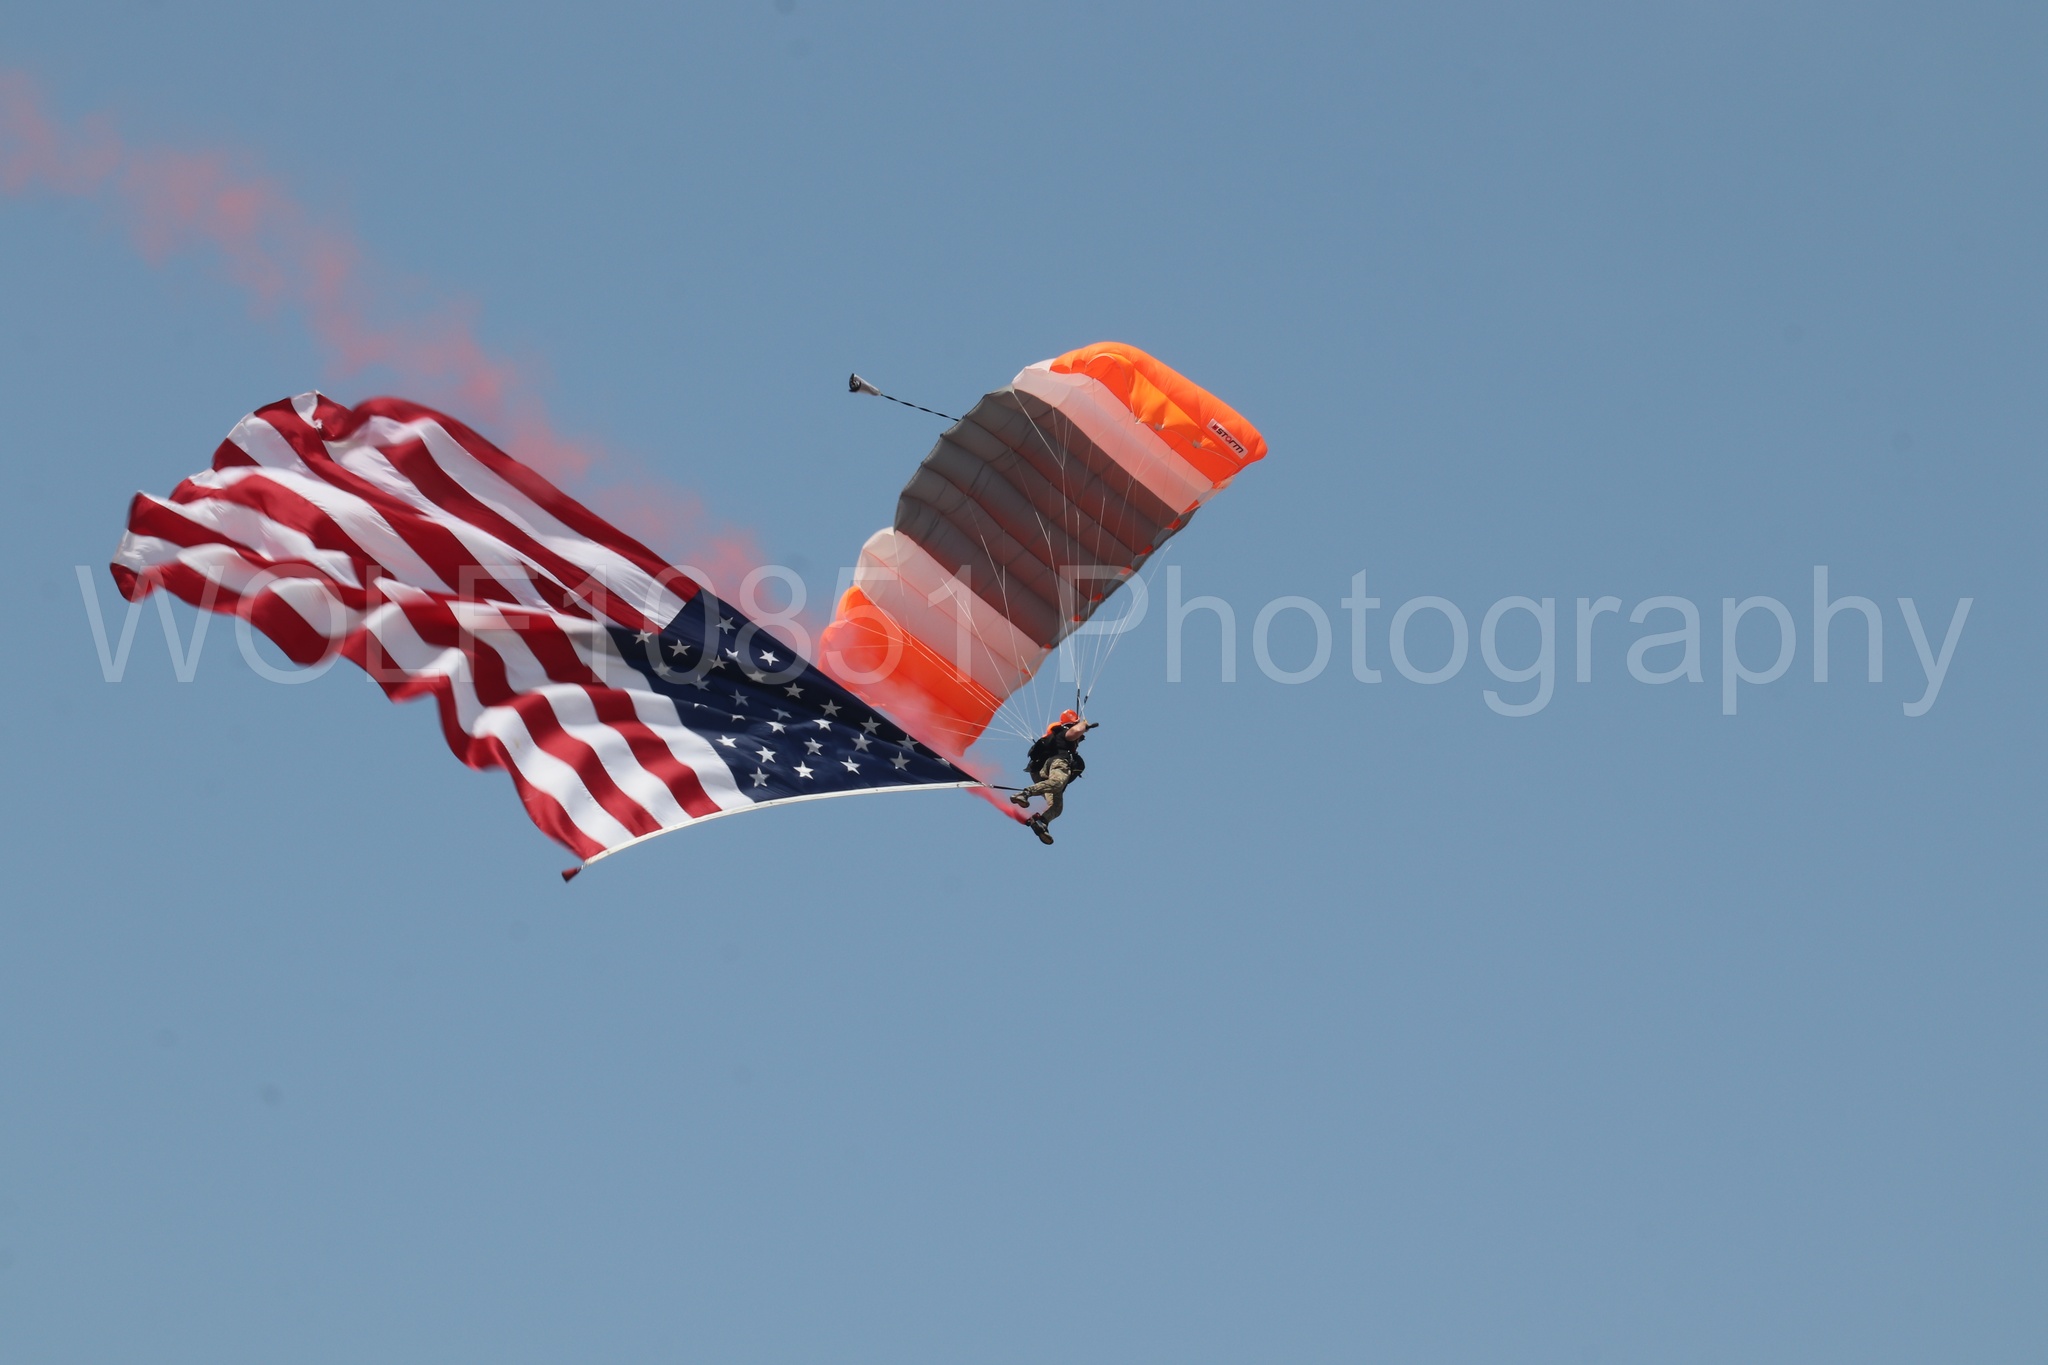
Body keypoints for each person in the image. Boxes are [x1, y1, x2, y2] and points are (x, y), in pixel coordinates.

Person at [1011, 710, 1097, 844]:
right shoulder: (1064, 732)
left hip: (1041, 774)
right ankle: (1025, 793)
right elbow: (1074, 732)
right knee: (1057, 783)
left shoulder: (1057, 738)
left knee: (1057, 806)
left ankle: (1041, 822)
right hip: (1057, 764)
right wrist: (1084, 725)